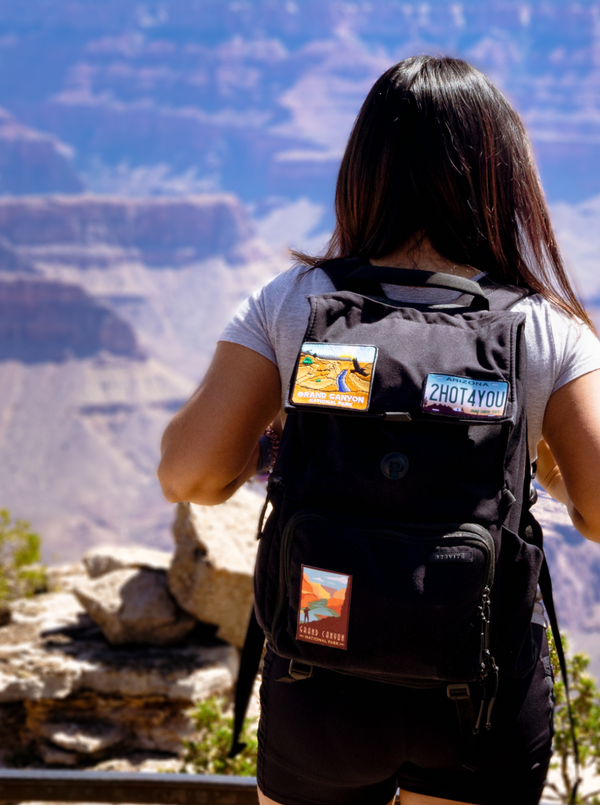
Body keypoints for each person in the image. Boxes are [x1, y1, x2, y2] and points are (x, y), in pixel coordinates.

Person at [158, 56, 600, 805]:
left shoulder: (294, 301)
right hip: (479, 695)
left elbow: (191, 474)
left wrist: (275, 447)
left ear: (364, 168)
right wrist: (537, 466)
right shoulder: (541, 327)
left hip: (322, 677)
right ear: (503, 176)